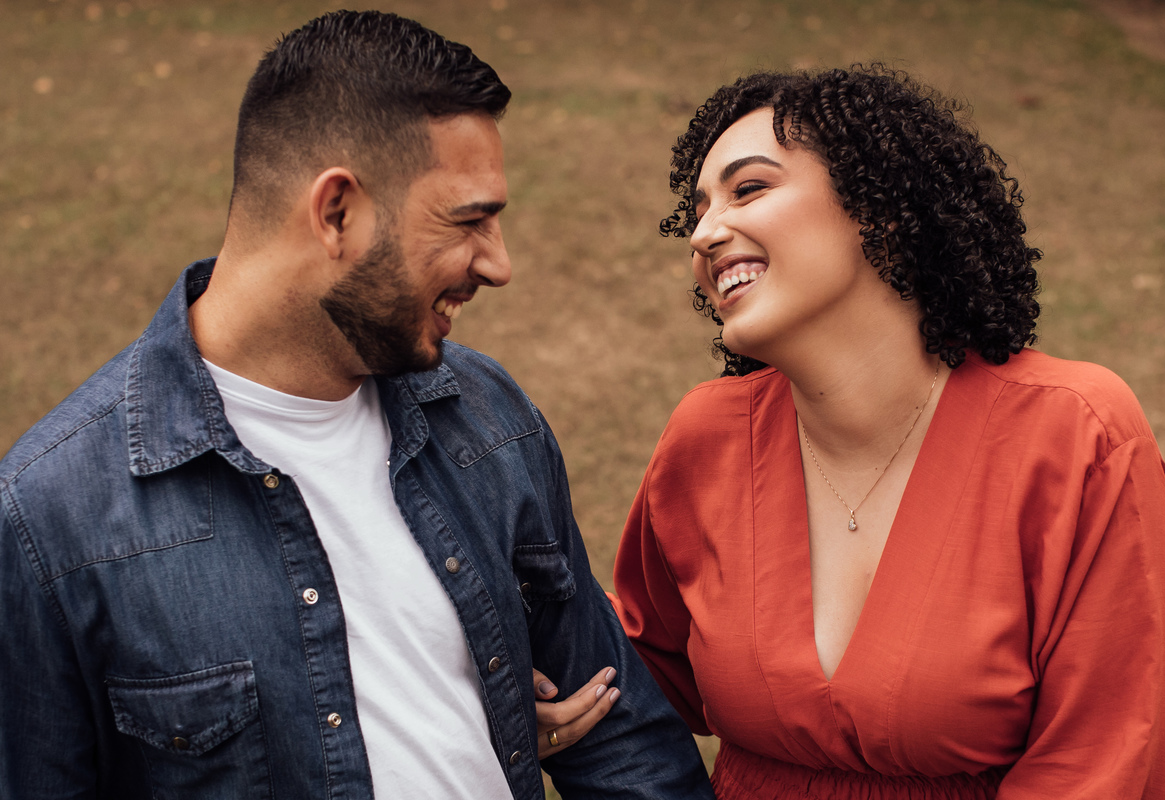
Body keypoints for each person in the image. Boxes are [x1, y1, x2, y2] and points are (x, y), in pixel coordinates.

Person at [0, 11, 713, 800]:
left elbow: (625, 749)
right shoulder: (51, 520)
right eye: (468, 220)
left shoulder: (487, 417)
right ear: (337, 212)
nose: (500, 264)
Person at [607, 66, 1165, 798]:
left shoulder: (1077, 434)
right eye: (696, 209)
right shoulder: (707, 437)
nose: (704, 232)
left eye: (748, 188)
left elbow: (1111, 755)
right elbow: (634, 672)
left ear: (880, 210)